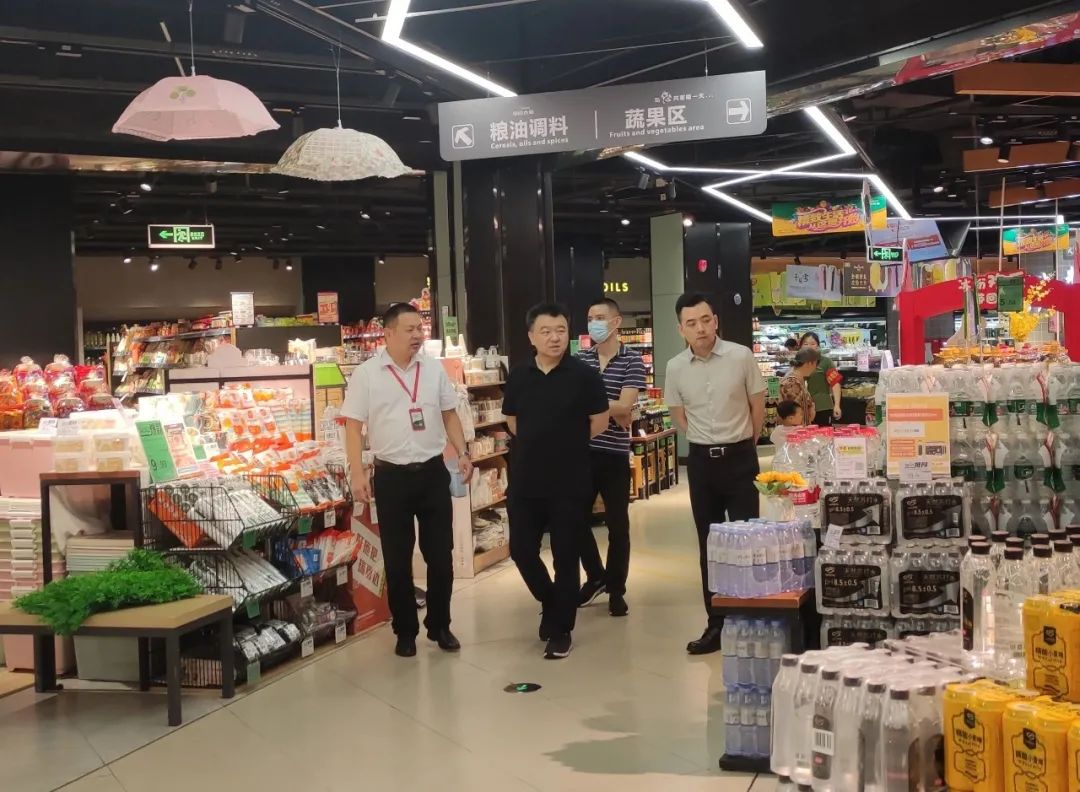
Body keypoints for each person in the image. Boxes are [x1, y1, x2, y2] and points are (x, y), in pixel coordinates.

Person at [342, 303, 473, 659]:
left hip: (432, 473)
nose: (418, 335)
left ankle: (440, 624)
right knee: (397, 559)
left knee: (441, 555)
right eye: (410, 329)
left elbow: (449, 414)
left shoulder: (432, 370)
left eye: (420, 328)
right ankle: (405, 630)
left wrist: (463, 452)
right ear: (388, 333)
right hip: (391, 477)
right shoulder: (367, 374)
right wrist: (357, 472)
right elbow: (353, 426)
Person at [502, 303, 610, 659]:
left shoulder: (584, 375)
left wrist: (566, 443)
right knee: (521, 550)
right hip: (526, 479)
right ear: (531, 336)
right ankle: (551, 601)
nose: (554, 337)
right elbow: (512, 421)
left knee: (566, 555)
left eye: (561, 330)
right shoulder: (519, 375)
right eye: (546, 331)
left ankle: (561, 628)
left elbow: (600, 421)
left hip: (570, 479)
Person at [664, 292, 766, 655]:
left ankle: (751, 621)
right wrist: (704, 441)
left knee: (747, 542)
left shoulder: (741, 356)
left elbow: (757, 406)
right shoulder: (675, 367)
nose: (701, 328)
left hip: (740, 459)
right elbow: (679, 414)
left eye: (706, 320)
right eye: (691, 323)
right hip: (702, 464)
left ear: (716, 321)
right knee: (709, 544)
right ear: (681, 329)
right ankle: (717, 624)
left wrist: (744, 443)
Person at [576, 297, 647, 617]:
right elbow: (613, 408)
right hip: (582, 452)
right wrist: (613, 408)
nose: (594, 323)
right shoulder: (580, 360)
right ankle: (596, 576)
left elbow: (627, 405)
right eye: (590, 317)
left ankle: (617, 589)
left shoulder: (632, 360)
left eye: (600, 317)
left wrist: (594, 405)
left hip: (615, 454)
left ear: (616, 322)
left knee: (618, 524)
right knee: (575, 520)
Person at [798, 331, 842, 426]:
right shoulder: (797, 363)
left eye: (812, 344)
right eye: (805, 344)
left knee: (823, 433)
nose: (809, 347)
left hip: (822, 407)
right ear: (801, 346)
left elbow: (835, 383)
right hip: (800, 409)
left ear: (817, 346)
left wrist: (837, 405)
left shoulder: (826, 362)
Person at [779, 347, 819, 427]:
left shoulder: (797, 378)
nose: (816, 368)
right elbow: (792, 416)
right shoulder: (792, 382)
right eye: (816, 364)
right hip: (795, 431)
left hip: (800, 430)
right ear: (810, 363)